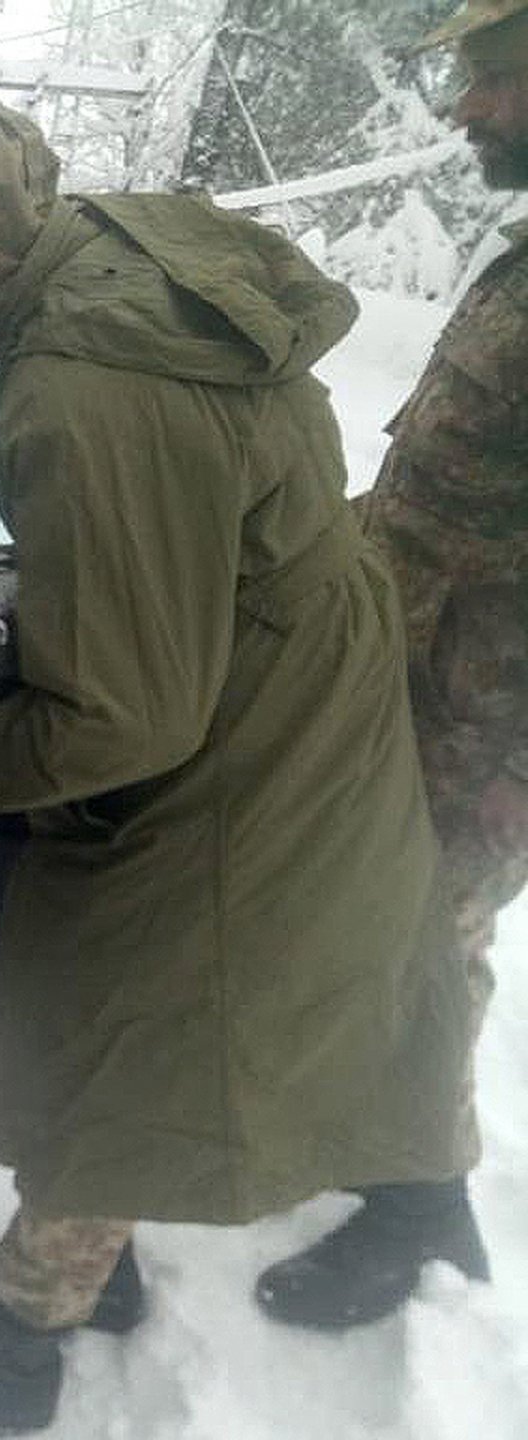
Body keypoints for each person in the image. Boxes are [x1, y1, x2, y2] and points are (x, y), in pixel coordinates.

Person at [0, 89, 476, 1439]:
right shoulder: (123, 252)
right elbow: (178, 537)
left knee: (111, 1048)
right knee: (126, 1034)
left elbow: (119, 723)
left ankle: (19, 1350)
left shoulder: (80, 392)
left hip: (236, 760)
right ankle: (75, 1278)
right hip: (292, 687)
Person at [251, 0, 528, 1329]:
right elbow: (444, 494)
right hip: (417, 691)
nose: (467, 109)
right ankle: (391, 1164)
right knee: (386, 938)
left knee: (428, 951)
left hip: (490, 734)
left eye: (494, 80)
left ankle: (422, 1219)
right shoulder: (523, 262)